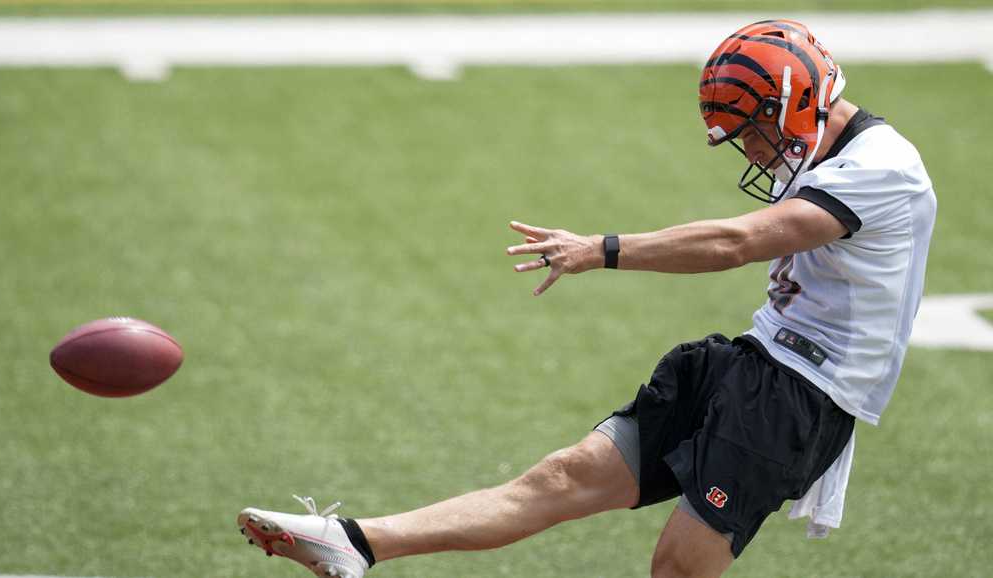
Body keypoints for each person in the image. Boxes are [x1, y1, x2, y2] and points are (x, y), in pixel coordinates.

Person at [235, 19, 936, 578]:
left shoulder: (884, 170)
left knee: (679, 569)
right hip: (751, 362)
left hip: (798, 396)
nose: (753, 150)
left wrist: (600, 249)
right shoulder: (824, 151)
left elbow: (735, 243)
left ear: (799, 97)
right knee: (562, 477)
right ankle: (353, 542)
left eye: (755, 129)